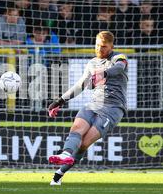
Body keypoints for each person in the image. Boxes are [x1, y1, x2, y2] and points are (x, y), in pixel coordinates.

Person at [47, 31, 128, 185]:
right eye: (97, 45)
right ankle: (65, 153)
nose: (100, 49)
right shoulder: (92, 63)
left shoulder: (119, 57)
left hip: (113, 108)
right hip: (93, 104)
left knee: (84, 143)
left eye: (103, 46)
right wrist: (59, 101)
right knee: (76, 129)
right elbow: (81, 85)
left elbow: (119, 68)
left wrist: (102, 74)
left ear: (111, 46)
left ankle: (59, 173)